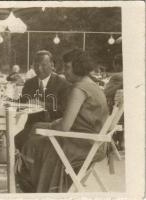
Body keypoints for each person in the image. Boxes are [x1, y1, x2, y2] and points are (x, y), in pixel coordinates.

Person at [17, 49, 109, 193]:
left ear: (78, 67)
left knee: (34, 142)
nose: (64, 71)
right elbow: (75, 119)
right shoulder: (92, 85)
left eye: (67, 67)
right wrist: (49, 125)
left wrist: (50, 126)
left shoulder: (79, 89)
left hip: (82, 144)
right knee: (36, 128)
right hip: (93, 141)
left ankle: (36, 188)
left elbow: (65, 127)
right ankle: (35, 184)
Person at [15, 50, 71, 149]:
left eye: (43, 65)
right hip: (30, 126)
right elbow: (21, 103)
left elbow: (64, 110)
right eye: (36, 66)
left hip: (53, 128)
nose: (39, 69)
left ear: (52, 65)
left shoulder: (63, 84)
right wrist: (7, 101)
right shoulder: (29, 84)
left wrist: (42, 104)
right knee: (13, 139)